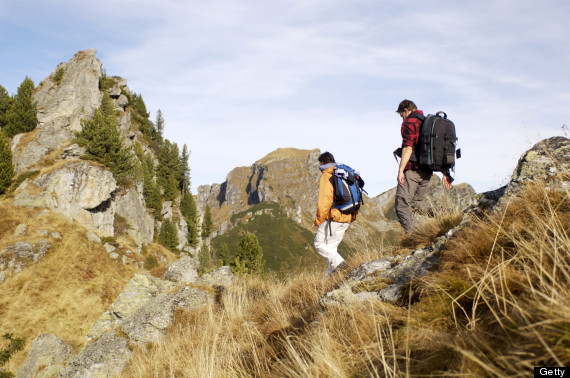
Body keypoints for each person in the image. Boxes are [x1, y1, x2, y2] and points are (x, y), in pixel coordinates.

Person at [395, 99, 452, 232]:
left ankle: (412, 237)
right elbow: (438, 148)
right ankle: (445, 213)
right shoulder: (428, 123)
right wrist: (445, 172)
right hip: (427, 171)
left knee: (401, 206)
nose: (402, 119)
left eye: (401, 115)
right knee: (416, 204)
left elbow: (408, 147)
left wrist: (401, 170)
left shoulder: (410, 123)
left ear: (406, 110)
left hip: (413, 170)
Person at [313, 152, 356, 275]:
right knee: (331, 249)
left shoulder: (327, 175)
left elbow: (324, 201)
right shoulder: (342, 173)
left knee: (319, 244)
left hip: (334, 218)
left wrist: (318, 220)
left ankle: (340, 263)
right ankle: (331, 277)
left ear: (323, 163)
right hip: (347, 217)